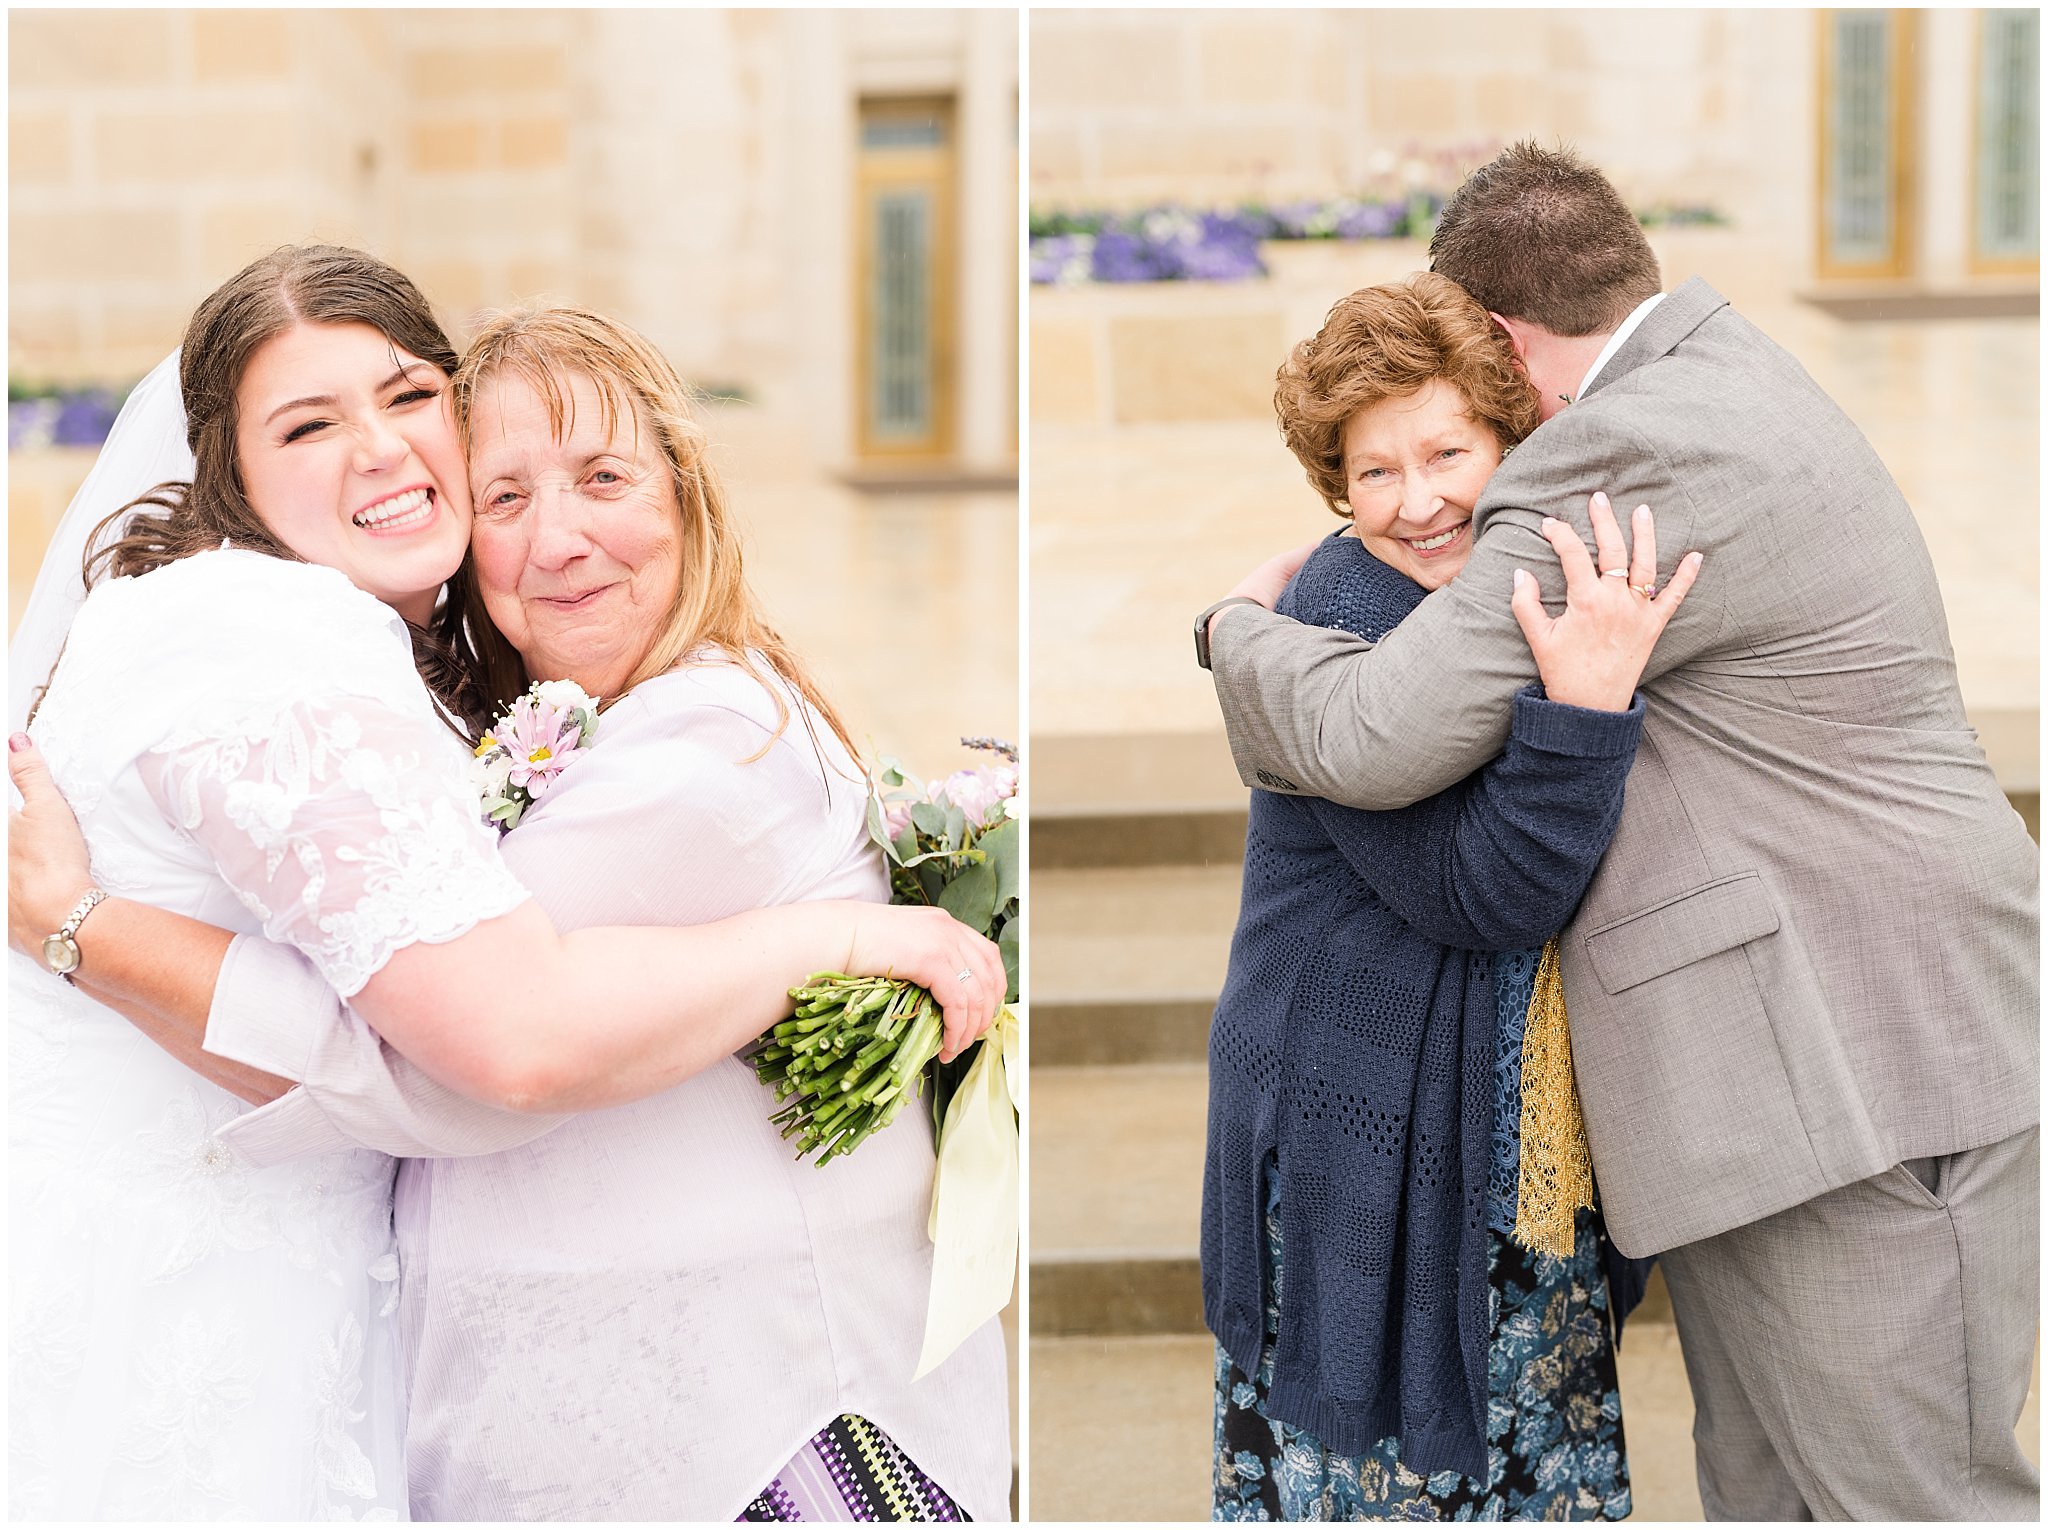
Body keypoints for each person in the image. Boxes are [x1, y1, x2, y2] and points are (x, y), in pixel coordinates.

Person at [7, 248, 1005, 1521]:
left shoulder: (705, 744)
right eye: (508, 496)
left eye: (603, 480)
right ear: (235, 478)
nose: (559, 538)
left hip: (759, 1441)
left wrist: (88, 931)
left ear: (689, 495)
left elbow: (472, 1051)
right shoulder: (497, 712)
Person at [1199, 143, 2039, 1520]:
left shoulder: (1634, 438)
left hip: (1876, 1079)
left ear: (1507, 346)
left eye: (1463, 425)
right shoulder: (1726, 374)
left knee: (1916, 1501)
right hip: (1801, 1081)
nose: (1436, 486)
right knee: (1780, 1494)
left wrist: (1232, 629)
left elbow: (1376, 732)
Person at [1206, 273, 1697, 1521]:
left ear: (1507, 442)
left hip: (1498, 1132)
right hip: (1357, 1124)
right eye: (1373, 471)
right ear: (1334, 487)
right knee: (1398, 1480)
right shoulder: (1339, 621)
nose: (1418, 502)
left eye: (1445, 451)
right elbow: (1483, 889)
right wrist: (1583, 717)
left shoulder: (1511, 592)